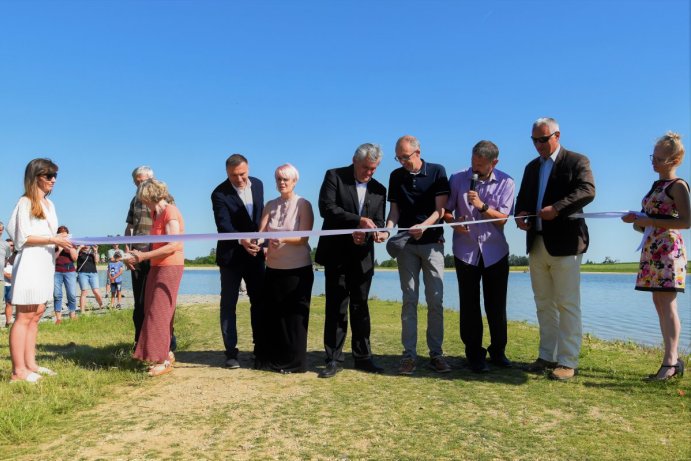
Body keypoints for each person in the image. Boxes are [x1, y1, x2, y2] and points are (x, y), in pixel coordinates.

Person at [515, 117, 596, 381]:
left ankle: (568, 361)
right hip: (536, 243)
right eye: (534, 140)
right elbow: (523, 200)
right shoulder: (530, 168)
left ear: (557, 135)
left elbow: (587, 190)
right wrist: (520, 215)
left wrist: (557, 209)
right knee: (543, 304)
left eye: (543, 139)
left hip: (566, 243)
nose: (538, 145)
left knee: (568, 304)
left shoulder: (577, 161)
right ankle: (546, 356)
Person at [315, 143, 388, 378]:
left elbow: (377, 220)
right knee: (336, 307)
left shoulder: (379, 189)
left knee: (361, 306)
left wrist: (374, 232)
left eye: (374, 169)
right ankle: (333, 358)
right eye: (367, 168)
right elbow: (327, 208)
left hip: (363, 257)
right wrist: (357, 222)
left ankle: (363, 357)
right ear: (355, 161)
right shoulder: (334, 176)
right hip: (336, 254)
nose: (370, 173)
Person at [621, 132, 689, 380]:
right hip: (652, 248)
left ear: (673, 160)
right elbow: (648, 220)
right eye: (653, 156)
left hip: (668, 251)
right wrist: (635, 220)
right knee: (659, 304)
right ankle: (670, 359)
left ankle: (670, 363)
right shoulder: (656, 186)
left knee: (668, 304)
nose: (654, 162)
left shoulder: (678, 186)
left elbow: (685, 221)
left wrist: (646, 219)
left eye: (659, 158)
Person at [443, 140, 515, 373]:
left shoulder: (507, 182)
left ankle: (498, 351)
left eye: (480, 165)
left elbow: (503, 218)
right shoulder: (457, 178)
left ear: (494, 162)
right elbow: (446, 211)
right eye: (473, 162)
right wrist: (454, 224)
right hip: (465, 252)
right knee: (469, 305)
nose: (474, 168)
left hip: (496, 252)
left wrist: (482, 206)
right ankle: (474, 354)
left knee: (496, 305)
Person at [385, 135, 451, 375]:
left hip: (433, 244)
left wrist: (425, 226)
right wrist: (387, 228)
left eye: (405, 156)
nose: (402, 161)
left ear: (418, 152)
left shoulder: (437, 171)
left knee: (435, 300)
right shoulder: (395, 176)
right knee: (409, 300)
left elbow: (441, 210)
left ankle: (436, 354)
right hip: (406, 245)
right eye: (398, 157)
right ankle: (408, 356)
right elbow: (394, 211)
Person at [7, 158, 72, 383]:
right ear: (35, 177)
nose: (53, 180)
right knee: (23, 316)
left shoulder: (49, 204)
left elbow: (48, 235)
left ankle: (30, 363)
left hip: (45, 262)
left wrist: (59, 239)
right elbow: (22, 237)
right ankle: (18, 371)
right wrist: (52, 239)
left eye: (55, 176)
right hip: (30, 263)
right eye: (48, 176)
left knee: (36, 315)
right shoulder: (25, 202)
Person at [211, 154, 267, 369]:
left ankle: (260, 350)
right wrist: (241, 239)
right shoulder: (218, 193)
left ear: (248, 169)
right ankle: (231, 353)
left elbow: (263, 218)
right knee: (228, 305)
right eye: (234, 176)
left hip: (255, 254)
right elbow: (223, 225)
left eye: (242, 174)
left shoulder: (259, 185)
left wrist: (264, 243)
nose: (240, 179)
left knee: (259, 302)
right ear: (227, 173)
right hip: (231, 257)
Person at [258, 164, 314, 373]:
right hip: (273, 268)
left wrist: (281, 237)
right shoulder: (270, 205)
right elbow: (260, 233)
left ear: (294, 181)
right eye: (278, 179)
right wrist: (257, 243)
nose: (282, 183)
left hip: (297, 269)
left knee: (295, 318)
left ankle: (296, 362)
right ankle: (275, 359)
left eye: (285, 179)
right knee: (275, 316)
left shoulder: (303, 204)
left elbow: (302, 238)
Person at [130, 178, 185, 377]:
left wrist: (143, 256)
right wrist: (135, 255)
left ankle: (162, 360)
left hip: (170, 266)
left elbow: (173, 245)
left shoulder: (170, 211)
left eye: (142, 196)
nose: (141, 201)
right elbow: (154, 244)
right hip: (156, 266)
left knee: (159, 311)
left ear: (149, 194)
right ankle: (166, 353)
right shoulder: (155, 213)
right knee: (151, 308)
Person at [53, 225, 78, 323]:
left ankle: (72, 314)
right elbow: (51, 259)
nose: (64, 238)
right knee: (57, 294)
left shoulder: (72, 244)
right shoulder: (54, 245)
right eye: (62, 236)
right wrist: (59, 249)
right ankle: (58, 318)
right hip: (56, 271)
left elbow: (75, 258)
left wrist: (70, 249)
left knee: (71, 294)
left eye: (66, 236)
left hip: (70, 271)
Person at [76, 244, 104, 312]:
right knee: (84, 292)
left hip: (93, 273)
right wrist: (79, 248)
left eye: (88, 244)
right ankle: (82, 311)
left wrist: (96, 251)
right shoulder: (79, 252)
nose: (87, 246)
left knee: (96, 291)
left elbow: (97, 261)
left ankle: (101, 304)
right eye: (85, 244)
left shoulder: (92, 252)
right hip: (82, 273)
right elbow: (74, 258)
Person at [3, 241, 16, 328]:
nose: (12, 247)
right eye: (10, 245)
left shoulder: (16, 256)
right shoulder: (2, 255)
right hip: (3, 282)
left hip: (11, 283)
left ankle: (8, 322)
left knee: (9, 303)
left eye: (13, 245)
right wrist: (6, 274)